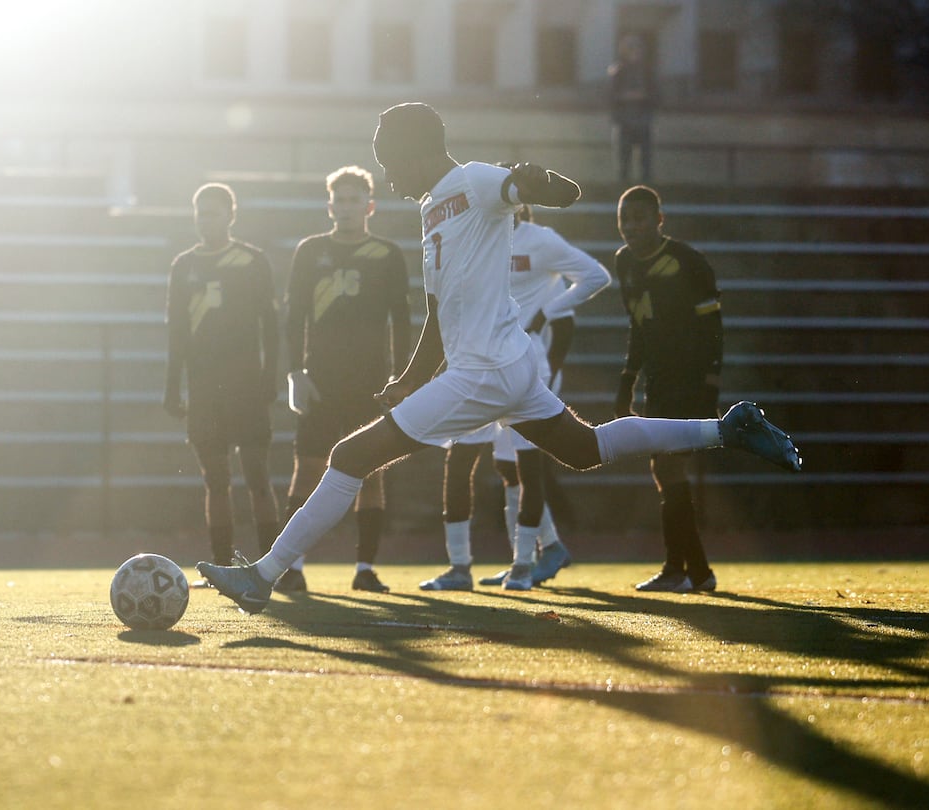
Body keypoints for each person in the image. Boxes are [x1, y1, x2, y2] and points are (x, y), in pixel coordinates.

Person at [197, 102, 801, 614]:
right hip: (504, 365)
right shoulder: (430, 211)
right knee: (585, 449)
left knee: (349, 455)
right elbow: (437, 316)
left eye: (388, 160)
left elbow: (557, 193)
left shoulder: (478, 181)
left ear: (416, 151)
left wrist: (533, 181)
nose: (386, 173)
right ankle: (725, 429)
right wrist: (407, 380)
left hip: (485, 370)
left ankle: (264, 576)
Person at [421, 203, 612, 591]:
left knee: (526, 466)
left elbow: (594, 277)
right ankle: (464, 567)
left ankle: (524, 565)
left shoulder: (540, 241)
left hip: (525, 366)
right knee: (468, 462)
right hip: (476, 366)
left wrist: (546, 313)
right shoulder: (473, 236)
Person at [277, 166, 412, 594]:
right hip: (320, 381)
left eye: (356, 199)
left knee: (371, 475)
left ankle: (365, 568)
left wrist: (402, 376)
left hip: (371, 382)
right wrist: (295, 372)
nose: (348, 207)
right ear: (329, 205)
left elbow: (402, 321)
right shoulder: (310, 250)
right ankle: (292, 567)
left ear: (369, 206)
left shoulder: (387, 254)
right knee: (308, 470)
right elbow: (292, 317)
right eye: (341, 199)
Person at [163, 183, 280, 579]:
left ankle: (271, 565)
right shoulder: (183, 265)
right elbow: (176, 331)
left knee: (257, 477)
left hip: (245, 387)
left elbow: (271, 325)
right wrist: (171, 387)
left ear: (231, 215)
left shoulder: (251, 261)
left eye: (213, 213)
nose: (205, 221)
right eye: (200, 214)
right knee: (215, 480)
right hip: (203, 391)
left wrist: (269, 379)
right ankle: (221, 566)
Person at [614, 184, 727, 592]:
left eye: (639, 218)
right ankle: (689, 571)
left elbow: (713, 329)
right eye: (624, 219)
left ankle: (687, 571)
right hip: (657, 383)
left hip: (689, 379)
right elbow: (638, 326)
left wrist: (710, 388)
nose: (630, 227)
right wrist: (627, 380)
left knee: (666, 467)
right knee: (664, 469)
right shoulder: (624, 262)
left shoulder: (688, 262)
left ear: (659, 220)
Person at [607, 33, 657, 184]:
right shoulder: (618, 71)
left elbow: (656, 94)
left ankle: (646, 188)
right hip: (623, 120)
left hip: (643, 119)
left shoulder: (648, 72)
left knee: (645, 161)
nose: (635, 53)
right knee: (623, 159)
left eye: (638, 49)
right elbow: (610, 96)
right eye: (631, 49)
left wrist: (644, 97)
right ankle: (622, 187)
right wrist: (626, 96)